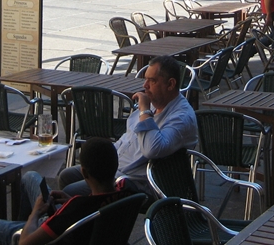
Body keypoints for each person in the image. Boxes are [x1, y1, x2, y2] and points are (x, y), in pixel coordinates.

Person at [0, 138, 131, 245]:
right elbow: (89, 208)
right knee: (30, 177)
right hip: (72, 227)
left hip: (32, 237)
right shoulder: (125, 192)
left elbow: (25, 243)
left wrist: (35, 213)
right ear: (115, 166)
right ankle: (23, 223)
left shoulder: (76, 208)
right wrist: (68, 200)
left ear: (84, 173)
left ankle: (19, 228)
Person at [58, 55, 197, 200]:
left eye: (152, 81)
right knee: (67, 176)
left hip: (133, 182)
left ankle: (87, 211)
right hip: (114, 168)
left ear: (170, 84)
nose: (145, 86)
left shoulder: (181, 117)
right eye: (145, 79)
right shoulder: (154, 105)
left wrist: (144, 110)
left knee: (70, 191)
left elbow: (152, 149)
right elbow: (127, 138)